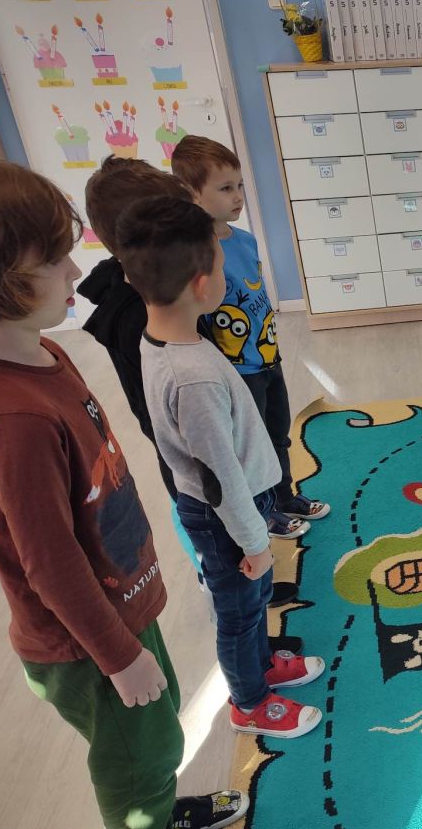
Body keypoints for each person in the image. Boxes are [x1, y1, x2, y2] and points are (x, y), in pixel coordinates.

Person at [0, 157, 252, 829]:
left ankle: (162, 815)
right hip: (85, 638)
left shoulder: (44, 353)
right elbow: (48, 563)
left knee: (156, 729)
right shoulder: (14, 418)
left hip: (121, 602)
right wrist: (117, 655)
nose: (75, 271)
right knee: (136, 752)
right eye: (53, 260)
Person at [117, 194, 325, 738]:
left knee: (252, 601)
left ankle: (262, 666)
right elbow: (219, 474)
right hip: (226, 513)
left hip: (233, 505)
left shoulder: (169, 339)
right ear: (204, 284)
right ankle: (249, 702)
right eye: (220, 260)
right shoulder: (193, 377)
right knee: (238, 612)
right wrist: (255, 540)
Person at [80, 156, 304, 636]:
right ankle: (228, 586)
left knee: (232, 524)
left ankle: (248, 575)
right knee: (219, 545)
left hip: (206, 440)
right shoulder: (144, 321)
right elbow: (207, 457)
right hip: (196, 457)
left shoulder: (157, 302)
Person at [171, 135, 328, 539]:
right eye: (225, 188)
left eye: (239, 185)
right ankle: (264, 512)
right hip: (237, 372)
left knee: (278, 434)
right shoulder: (194, 253)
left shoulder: (244, 240)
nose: (238, 196)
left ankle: (283, 496)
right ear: (192, 193)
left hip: (268, 357)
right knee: (249, 447)